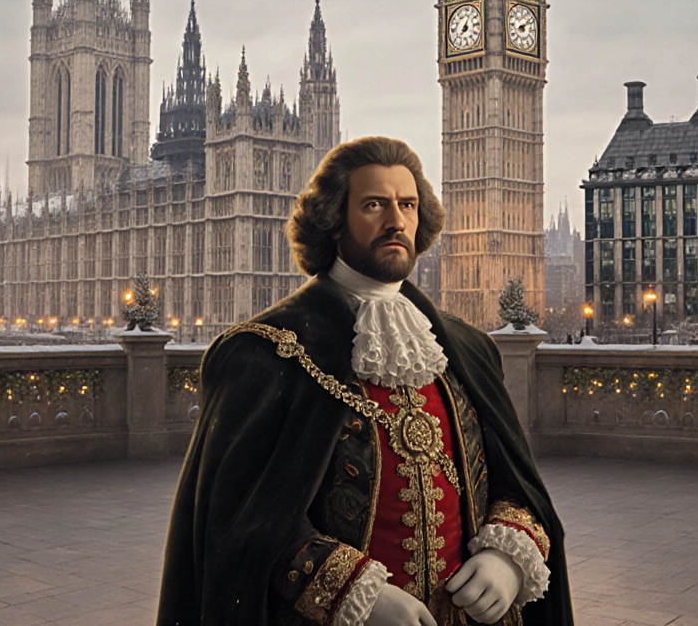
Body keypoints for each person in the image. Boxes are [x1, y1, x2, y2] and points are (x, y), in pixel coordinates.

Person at [157, 137, 572, 625]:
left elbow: (515, 483)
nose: (396, 221)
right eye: (374, 204)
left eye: (408, 205)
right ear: (333, 220)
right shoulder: (264, 352)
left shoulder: (467, 348)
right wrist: (353, 594)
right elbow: (238, 517)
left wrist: (507, 554)